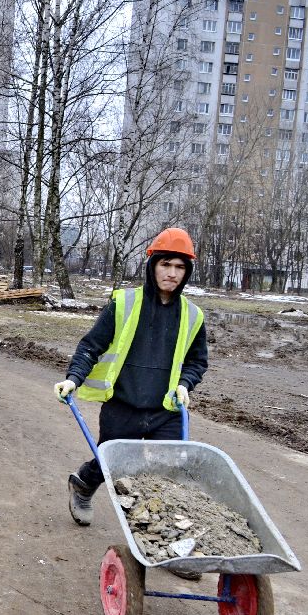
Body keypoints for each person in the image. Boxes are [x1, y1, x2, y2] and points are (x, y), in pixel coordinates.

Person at [54, 227, 208, 533]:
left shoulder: (193, 315)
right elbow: (91, 346)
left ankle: (167, 540)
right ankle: (84, 485)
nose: (172, 273)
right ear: (152, 265)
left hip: (166, 410)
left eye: (180, 267)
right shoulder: (124, 303)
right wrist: (73, 379)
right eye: (166, 264)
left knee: (167, 472)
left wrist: (185, 383)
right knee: (112, 462)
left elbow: (197, 361)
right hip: (123, 403)